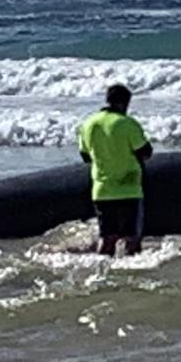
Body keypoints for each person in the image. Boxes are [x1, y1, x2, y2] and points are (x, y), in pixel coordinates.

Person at [78, 84, 153, 256]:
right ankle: (130, 276)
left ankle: (102, 271)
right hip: (129, 190)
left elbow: (86, 157)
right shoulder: (127, 124)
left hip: (102, 191)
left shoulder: (88, 124)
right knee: (131, 238)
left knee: (107, 238)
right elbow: (146, 152)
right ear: (124, 103)